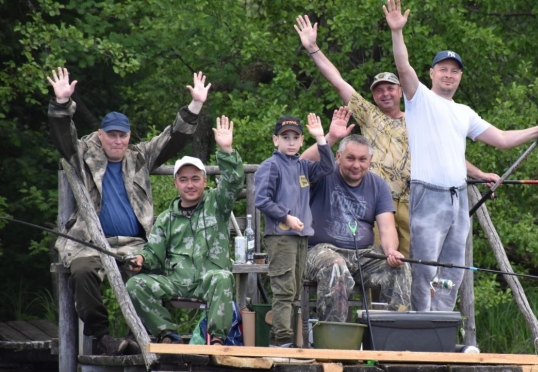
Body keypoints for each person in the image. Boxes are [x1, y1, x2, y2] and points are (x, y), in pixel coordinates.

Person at [383, 0, 538, 311]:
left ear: (460, 77)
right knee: (426, 268)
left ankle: (442, 325)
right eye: (443, 70)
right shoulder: (419, 98)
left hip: (457, 199)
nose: (449, 75)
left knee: (453, 271)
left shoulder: (464, 113)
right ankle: (423, 327)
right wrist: (397, 32)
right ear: (432, 73)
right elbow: (403, 67)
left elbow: (503, 139)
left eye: (455, 71)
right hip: (428, 196)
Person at [295, 15, 499, 258]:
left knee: (416, 266)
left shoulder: (419, 115)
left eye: (390, 88)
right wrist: (313, 48)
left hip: (416, 203)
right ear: (372, 96)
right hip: (378, 202)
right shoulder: (369, 115)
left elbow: (448, 155)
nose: (385, 94)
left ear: (401, 91)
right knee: (378, 260)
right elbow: (338, 81)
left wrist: (479, 174)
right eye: (378, 90)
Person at [47, 67, 210, 355]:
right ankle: (102, 338)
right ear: (101, 134)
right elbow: (62, 136)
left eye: (122, 136)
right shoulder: (83, 153)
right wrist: (61, 104)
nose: (117, 141)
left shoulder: (139, 156)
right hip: (89, 244)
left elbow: (173, 138)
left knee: (145, 276)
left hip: (134, 245)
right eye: (111, 135)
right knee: (82, 272)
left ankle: (139, 337)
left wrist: (195, 105)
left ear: (129, 136)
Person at [126, 115, 244, 345]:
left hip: (208, 279)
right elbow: (153, 252)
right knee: (135, 284)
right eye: (184, 179)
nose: (190, 184)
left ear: (204, 181)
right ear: (176, 184)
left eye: (195, 179)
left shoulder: (217, 204)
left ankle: (217, 340)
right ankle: (168, 336)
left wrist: (227, 150)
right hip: (177, 281)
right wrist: (140, 258)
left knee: (223, 277)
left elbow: (233, 182)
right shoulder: (167, 217)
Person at [305, 134, 411, 322]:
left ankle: (391, 336)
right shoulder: (323, 174)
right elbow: (300, 163)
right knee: (335, 266)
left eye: (362, 159)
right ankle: (333, 341)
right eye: (350, 158)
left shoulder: (378, 186)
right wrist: (330, 137)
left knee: (400, 268)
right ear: (338, 157)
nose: (356, 165)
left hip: (362, 255)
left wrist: (392, 252)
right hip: (319, 251)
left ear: (370, 160)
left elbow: (387, 229)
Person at [254, 111, 335, 347]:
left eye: (295, 137)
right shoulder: (270, 166)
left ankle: (284, 341)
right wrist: (286, 217)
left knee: (295, 290)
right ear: (275, 140)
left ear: (301, 141)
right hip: (280, 237)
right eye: (285, 136)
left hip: (301, 237)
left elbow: (328, 167)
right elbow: (261, 199)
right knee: (283, 289)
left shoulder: (304, 166)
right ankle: (281, 341)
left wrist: (321, 138)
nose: (290, 142)